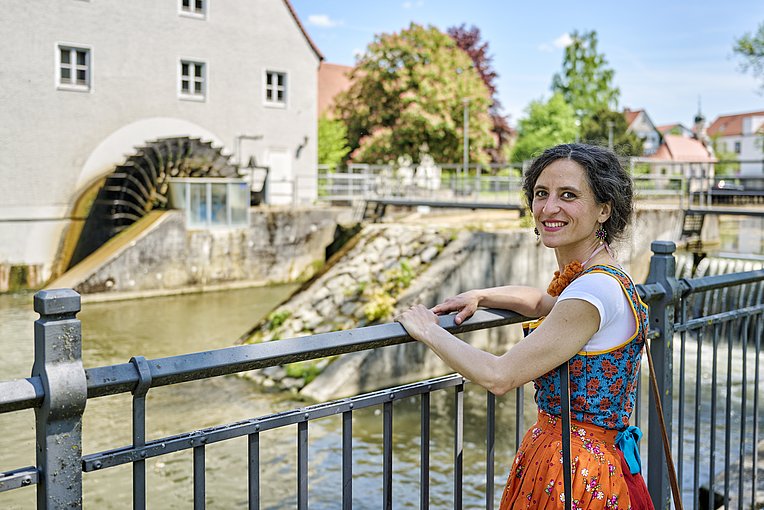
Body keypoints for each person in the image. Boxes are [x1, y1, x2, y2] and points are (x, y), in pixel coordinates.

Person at [396, 143, 653, 509]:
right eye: (541, 194)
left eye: (568, 195)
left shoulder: (592, 289)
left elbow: (499, 376)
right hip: (589, 458)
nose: (549, 208)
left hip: (572, 470)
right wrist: (482, 295)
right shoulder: (604, 278)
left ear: (604, 209)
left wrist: (428, 329)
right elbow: (544, 303)